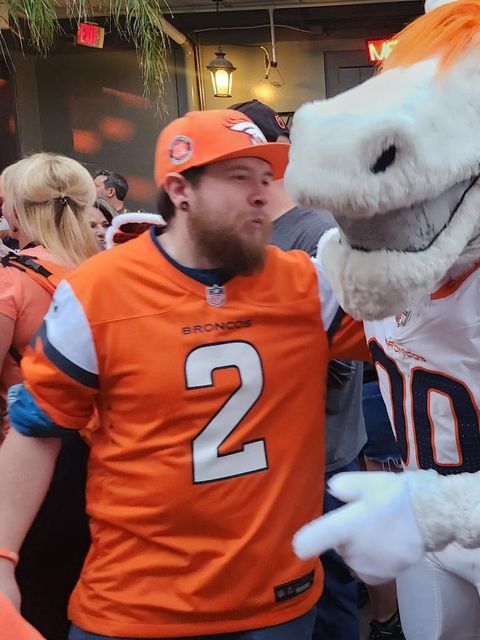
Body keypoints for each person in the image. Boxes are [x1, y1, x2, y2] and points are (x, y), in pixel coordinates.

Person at [0, 109, 369, 639]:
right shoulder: (100, 289)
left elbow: (413, 337)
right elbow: (37, 428)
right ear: (180, 190)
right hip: (138, 605)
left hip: (276, 602)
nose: (262, 194)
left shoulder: (306, 284)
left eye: (266, 177)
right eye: (239, 177)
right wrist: (3, 558)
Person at [229, 98, 387, 640]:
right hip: (265, 456)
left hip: (319, 453)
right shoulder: (248, 231)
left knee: (324, 595)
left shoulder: (316, 233)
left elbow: (344, 360)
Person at [0, 153, 100, 640]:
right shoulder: (118, 273)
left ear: (17, 211)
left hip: (31, 465)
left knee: (38, 602)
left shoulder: (12, 280)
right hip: (114, 460)